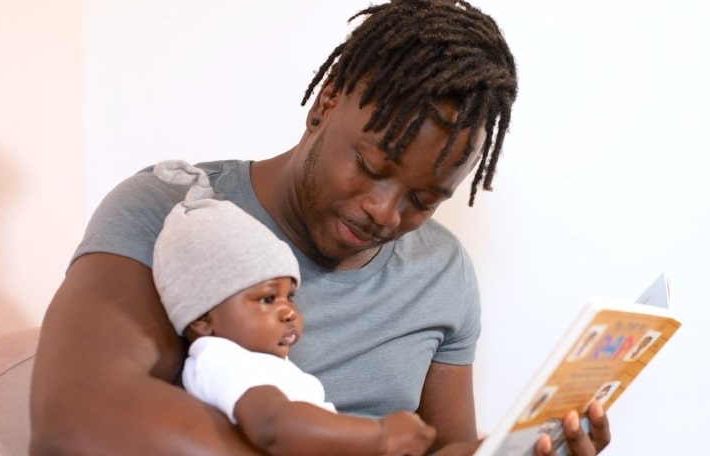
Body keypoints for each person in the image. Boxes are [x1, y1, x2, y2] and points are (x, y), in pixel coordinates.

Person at [30, 1, 612, 455]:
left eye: (424, 199)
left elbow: (435, 447)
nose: (385, 213)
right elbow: (74, 422)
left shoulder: (443, 272)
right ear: (326, 103)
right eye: (370, 166)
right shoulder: (172, 210)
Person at [150, 160, 435, 455]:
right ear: (203, 318)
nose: (288, 312)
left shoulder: (258, 362)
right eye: (267, 299)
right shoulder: (220, 360)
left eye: (291, 297)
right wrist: (380, 435)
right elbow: (273, 426)